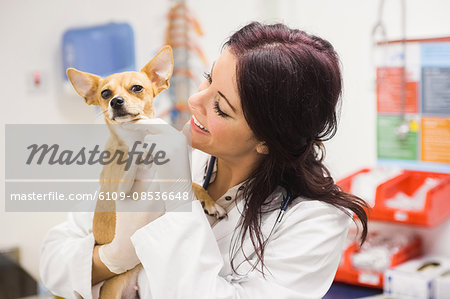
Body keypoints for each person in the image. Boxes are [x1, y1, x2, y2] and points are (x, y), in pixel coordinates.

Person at [40, 22, 368, 299]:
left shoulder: (314, 222)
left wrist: (177, 191)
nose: (195, 100)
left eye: (221, 107)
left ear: (268, 140)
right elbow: (53, 259)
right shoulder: (144, 157)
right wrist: (110, 259)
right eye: (208, 78)